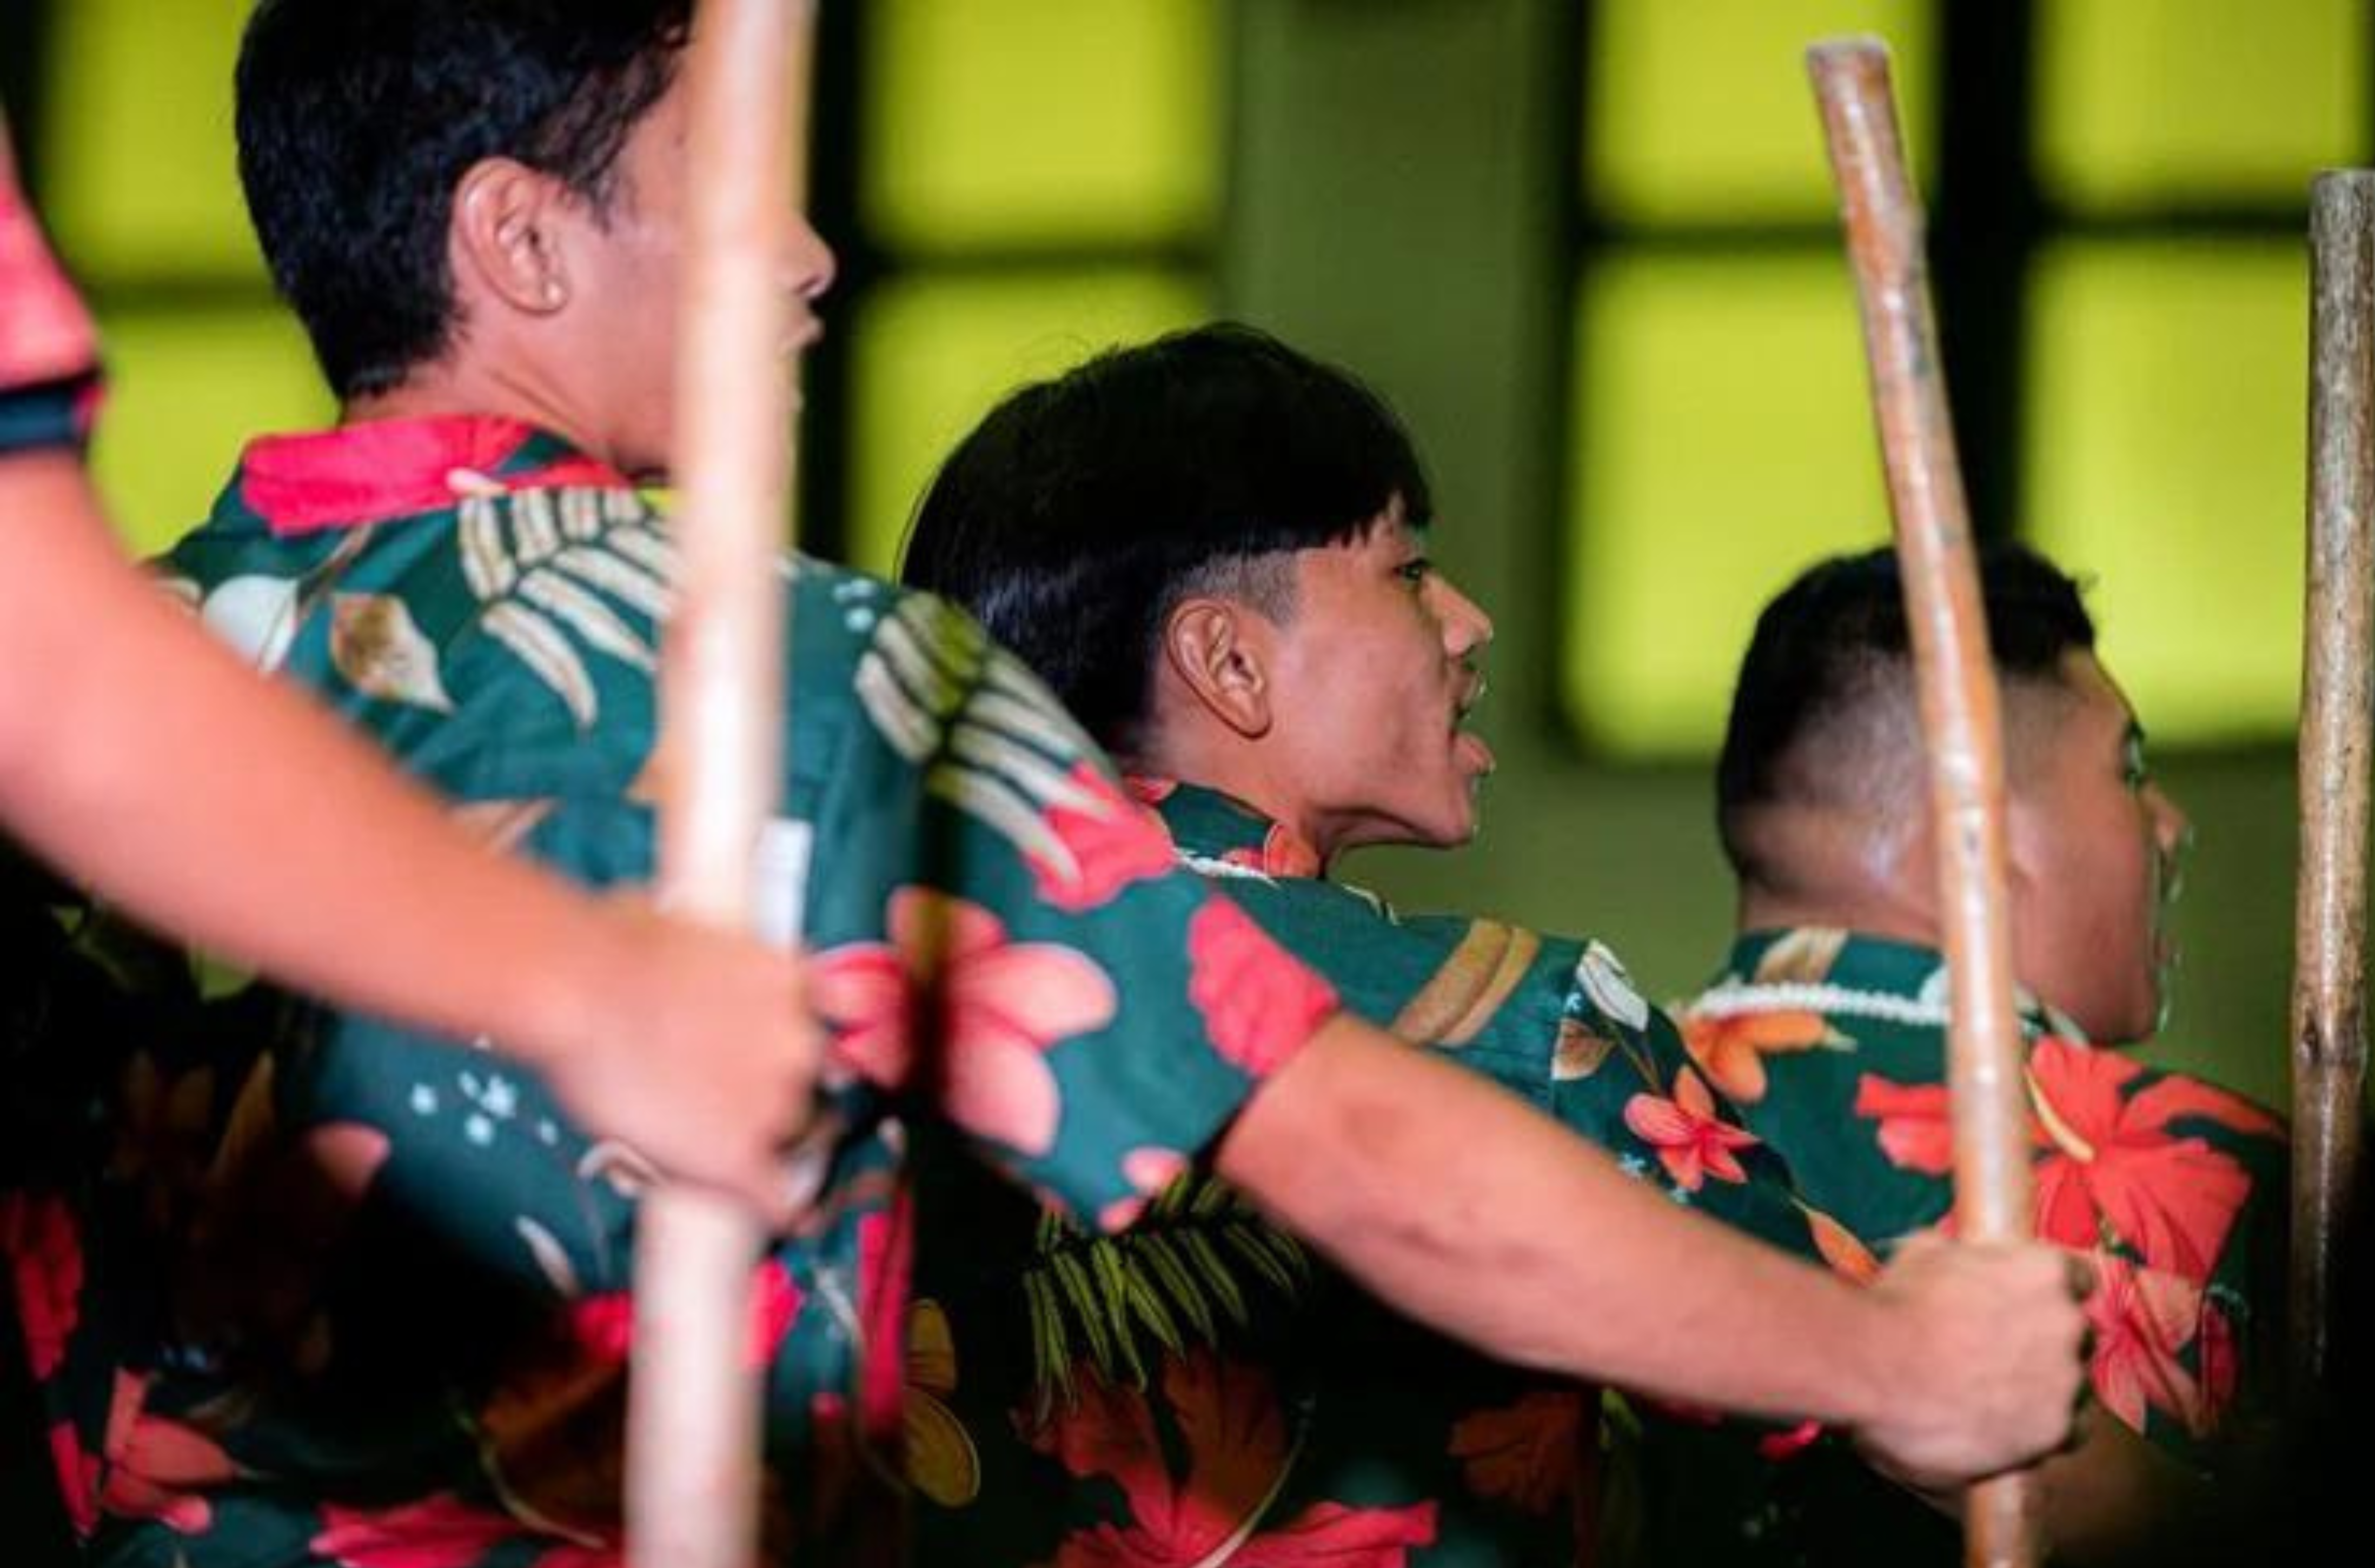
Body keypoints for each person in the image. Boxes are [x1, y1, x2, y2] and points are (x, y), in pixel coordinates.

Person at [73, 5, 2087, 1563]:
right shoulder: (803, 680)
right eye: (742, 170)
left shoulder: (114, 696)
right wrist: (1898, 1359)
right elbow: (1365, 1160)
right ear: (516, 237)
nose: (807, 254)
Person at [893, 322, 2040, 1566]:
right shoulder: (1520, 1020)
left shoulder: (879, 1009)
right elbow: (1913, 1413)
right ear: (1230, 661)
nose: (1468, 620)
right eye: (1407, 571)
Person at [1672, 543, 2292, 1560]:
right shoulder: (2234, 1182)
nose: (2172, 829)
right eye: (2130, 771)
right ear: (1978, 830)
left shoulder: (1586, 1105)